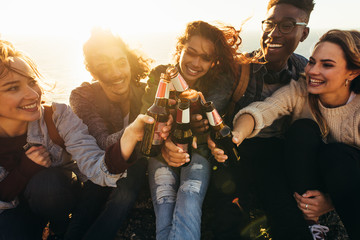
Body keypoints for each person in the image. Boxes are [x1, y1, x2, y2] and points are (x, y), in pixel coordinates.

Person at [0, 39, 158, 239]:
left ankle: (61, 227)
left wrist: (130, 137)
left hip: (52, 198)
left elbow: (94, 165)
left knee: (48, 185)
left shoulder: (56, 116)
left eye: (32, 82)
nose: (33, 95)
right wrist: (23, 171)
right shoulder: (85, 96)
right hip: (9, 208)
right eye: (13, 88)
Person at [213, 29, 360, 239]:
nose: (313, 71)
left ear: (352, 72)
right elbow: (262, 111)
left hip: (349, 178)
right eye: (312, 61)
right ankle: (311, 225)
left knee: (338, 156)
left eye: (327, 65)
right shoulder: (300, 90)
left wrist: (330, 202)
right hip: (308, 177)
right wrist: (236, 135)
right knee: (302, 131)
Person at [207, 0, 316, 239]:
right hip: (236, 149)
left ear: (304, 32)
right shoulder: (237, 69)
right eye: (269, 23)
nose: (273, 33)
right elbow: (209, 113)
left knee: (286, 214)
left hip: (279, 153)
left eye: (287, 25)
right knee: (228, 215)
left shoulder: (304, 70)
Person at [141, 20, 243, 239]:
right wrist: (166, 145)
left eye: (205, 58)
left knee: (190, 195)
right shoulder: (160, 75)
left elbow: (207, 117)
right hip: (162, 152)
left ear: (214, 62)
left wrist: (195, 126)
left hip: (199, 152)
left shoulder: (218, 82)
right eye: (191, 52)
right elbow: (147, 118)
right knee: (165, 201)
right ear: (180, 49)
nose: (196, 63)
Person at [67, 28, 155, 239]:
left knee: (134, 171)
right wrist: (134, 130)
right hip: (101, 166)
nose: (116, 73)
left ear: (129, 62)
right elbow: (102, 142)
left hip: (135, 171)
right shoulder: (83, 96)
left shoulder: (146, 93)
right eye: (104, 67)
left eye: (121, 62)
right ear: (93, 72)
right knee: (93, 191)